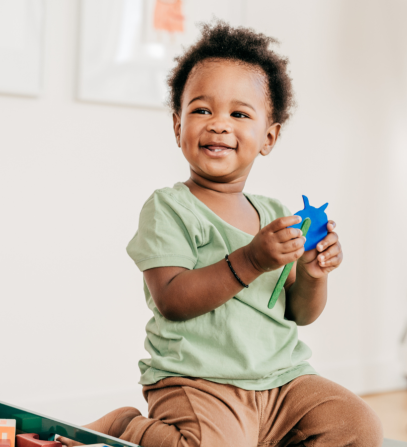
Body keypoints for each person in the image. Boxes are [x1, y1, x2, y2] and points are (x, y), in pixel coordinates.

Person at [61, 22, 383, 447]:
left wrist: (314, 273)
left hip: (283, 380)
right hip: (199, 382)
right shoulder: (169, 208)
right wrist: (251, 260)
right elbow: (173, 300)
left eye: (239, 113)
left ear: (269, 137)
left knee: (359, 427)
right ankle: (130, 427)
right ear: (177, 126)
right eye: (201, 110)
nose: (218, 124)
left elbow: (299, 314)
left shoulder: (274, 215)